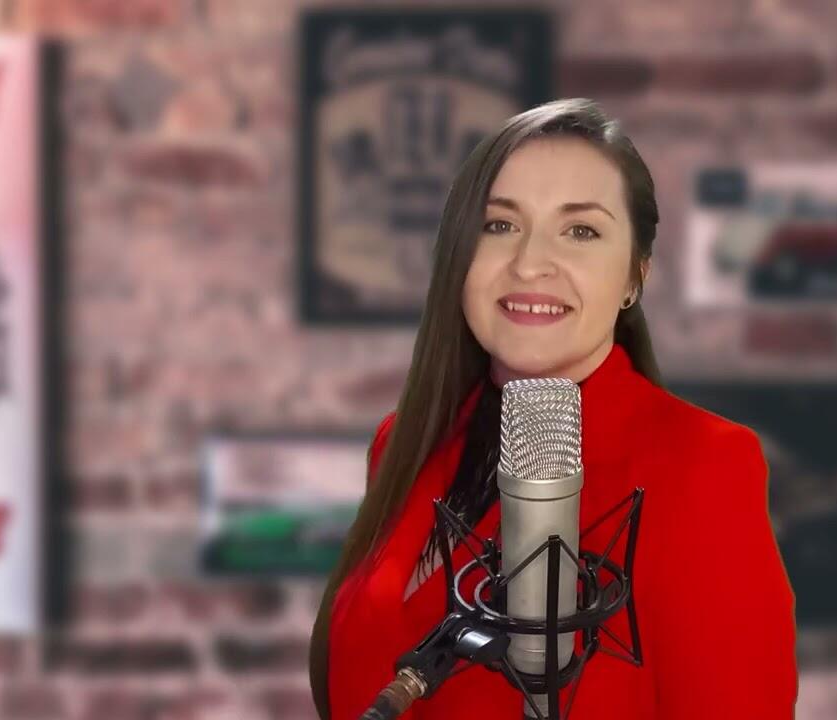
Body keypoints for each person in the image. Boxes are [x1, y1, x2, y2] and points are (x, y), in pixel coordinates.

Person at [309, 98, 797, 719]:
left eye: (581, 231)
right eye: (499, 225)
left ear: (635, 275)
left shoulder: (702, 465)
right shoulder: (406, 441)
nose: (530, 263)